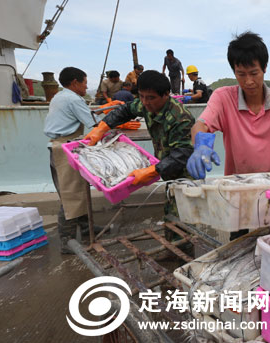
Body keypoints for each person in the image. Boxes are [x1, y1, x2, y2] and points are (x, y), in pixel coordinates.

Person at [186, 31, 270, 240]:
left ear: (264, 69)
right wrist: (200, 145)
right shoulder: (223, 97)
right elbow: (201, 125)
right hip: (236, 191)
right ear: (234, 71)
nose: (248, 81)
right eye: (241, 74)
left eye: (254, 73)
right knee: (238, 244)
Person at [83, 70, 195, 235]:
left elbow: (181, 155)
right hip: (165, 166)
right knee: (171, 211)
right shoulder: (146, 104)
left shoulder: (181, 118)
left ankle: (183, 253)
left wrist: (151, 171)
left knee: (182, 215)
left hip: (184, 172)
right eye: (141, 96)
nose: (145, 102)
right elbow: (125, 110)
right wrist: (102, 128)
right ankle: (173, 251)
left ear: (166, 95)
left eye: (150, 98)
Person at [43, 67, 102, 254]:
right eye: (85, 83)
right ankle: (66, 241)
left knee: (79, 190)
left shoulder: (60, 96)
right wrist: (117, 122)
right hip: (64, 148)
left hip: (58, 146)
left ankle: (87, 229)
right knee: (71, 195)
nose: (86, 86)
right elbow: (96, 123)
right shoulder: (73, 99)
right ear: (75, 82)